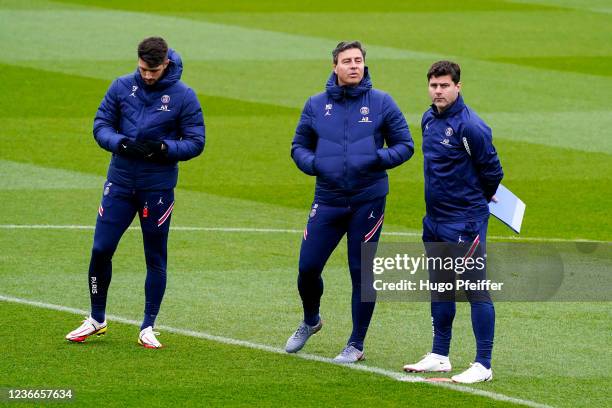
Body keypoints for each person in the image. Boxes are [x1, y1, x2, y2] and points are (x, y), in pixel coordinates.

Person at [65, 37, 205, 348]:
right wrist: (120, 143)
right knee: (101, 248)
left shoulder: (184, 96)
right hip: (120, 182)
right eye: (143, 69)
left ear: (165, 63)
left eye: (153, 70)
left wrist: (164, 148)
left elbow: (196, 141)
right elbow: (101, 124)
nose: (147, 76)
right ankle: (96, 318)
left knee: (155, 256)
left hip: (157, 188)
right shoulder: (120, 86)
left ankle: (148, 326)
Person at [286, 41, 414, 363]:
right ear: (335, 66)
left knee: (362, 272)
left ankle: (356, 344)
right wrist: (314, 164)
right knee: (308, 267)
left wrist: (376, 158)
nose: (354, 66)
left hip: (367, 200)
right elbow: (298, 145)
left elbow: (405, 145)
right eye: (347, 61)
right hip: (327, 199)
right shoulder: (316, 105)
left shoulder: (382, 102)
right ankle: (311, 319)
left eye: (358, 61)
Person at [403, 61, 503, 383]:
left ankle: (483, 364)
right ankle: (439, 354)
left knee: (475, 289)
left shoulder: (471, 127)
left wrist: (478, 201)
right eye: (434, 85)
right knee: (441, 287)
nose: (438, 91)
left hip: (465, 221)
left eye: (444, 85)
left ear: (458, 86)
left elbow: (493, 172)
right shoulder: (428, 119)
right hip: (434, 220)